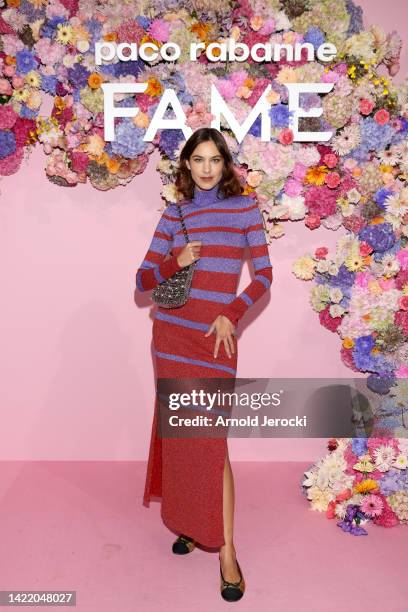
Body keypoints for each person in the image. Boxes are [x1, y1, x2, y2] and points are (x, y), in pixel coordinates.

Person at [135, 127, 273, 601]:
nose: (208, 168)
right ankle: (190, 524)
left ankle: (227, 551)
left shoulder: (244, 209)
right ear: (187, 165)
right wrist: (176, 258)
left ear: (226, 164)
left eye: (216, 159)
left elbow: (265, 276)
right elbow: (143, 278)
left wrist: (230, 312)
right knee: (181, 436)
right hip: (171, 337)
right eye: (199, 159)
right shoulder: (175, 213)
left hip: (214, 341)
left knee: (211, 445)